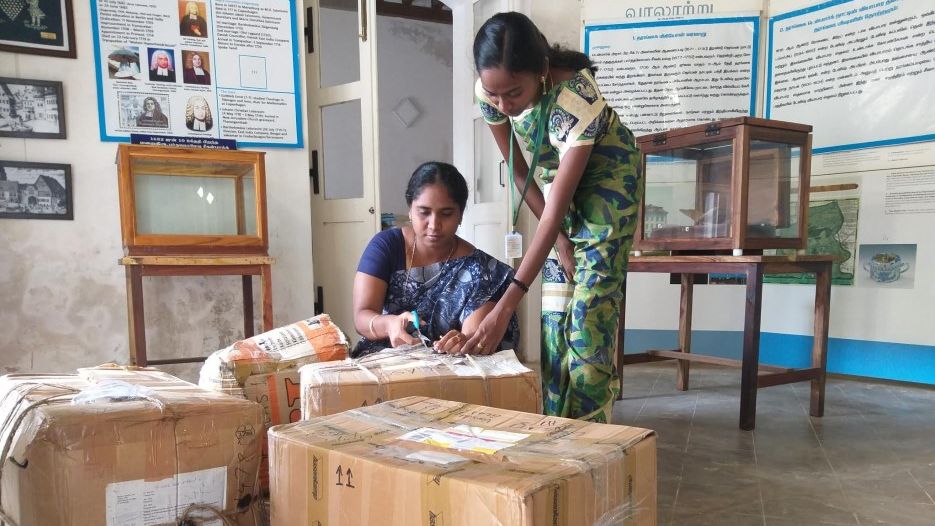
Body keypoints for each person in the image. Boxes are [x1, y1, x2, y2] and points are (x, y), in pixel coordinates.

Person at [467, 12, 643, 423]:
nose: (504, 106)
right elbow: (517, 168)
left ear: (542, 71)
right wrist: (561, 239)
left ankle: (591, 442)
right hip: (552, 186)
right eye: (494, 97)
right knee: (554, 319)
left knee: (588, 319)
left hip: (607, 187)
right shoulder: (489, 89)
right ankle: (555, 431)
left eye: (513, 93)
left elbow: (559, 211)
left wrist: (506, 305)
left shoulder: (575, 100)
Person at [351, 161, 520, 358]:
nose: (434, 225)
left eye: (446, 214)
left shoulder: (481, 271)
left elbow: (473, 338)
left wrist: (460, 342)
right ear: (410, 209)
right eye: (423, 212)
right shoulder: (387, 246)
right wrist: (389, 324)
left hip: (446, 369)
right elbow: (362, 316)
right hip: (384, 361)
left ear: (460, 214)